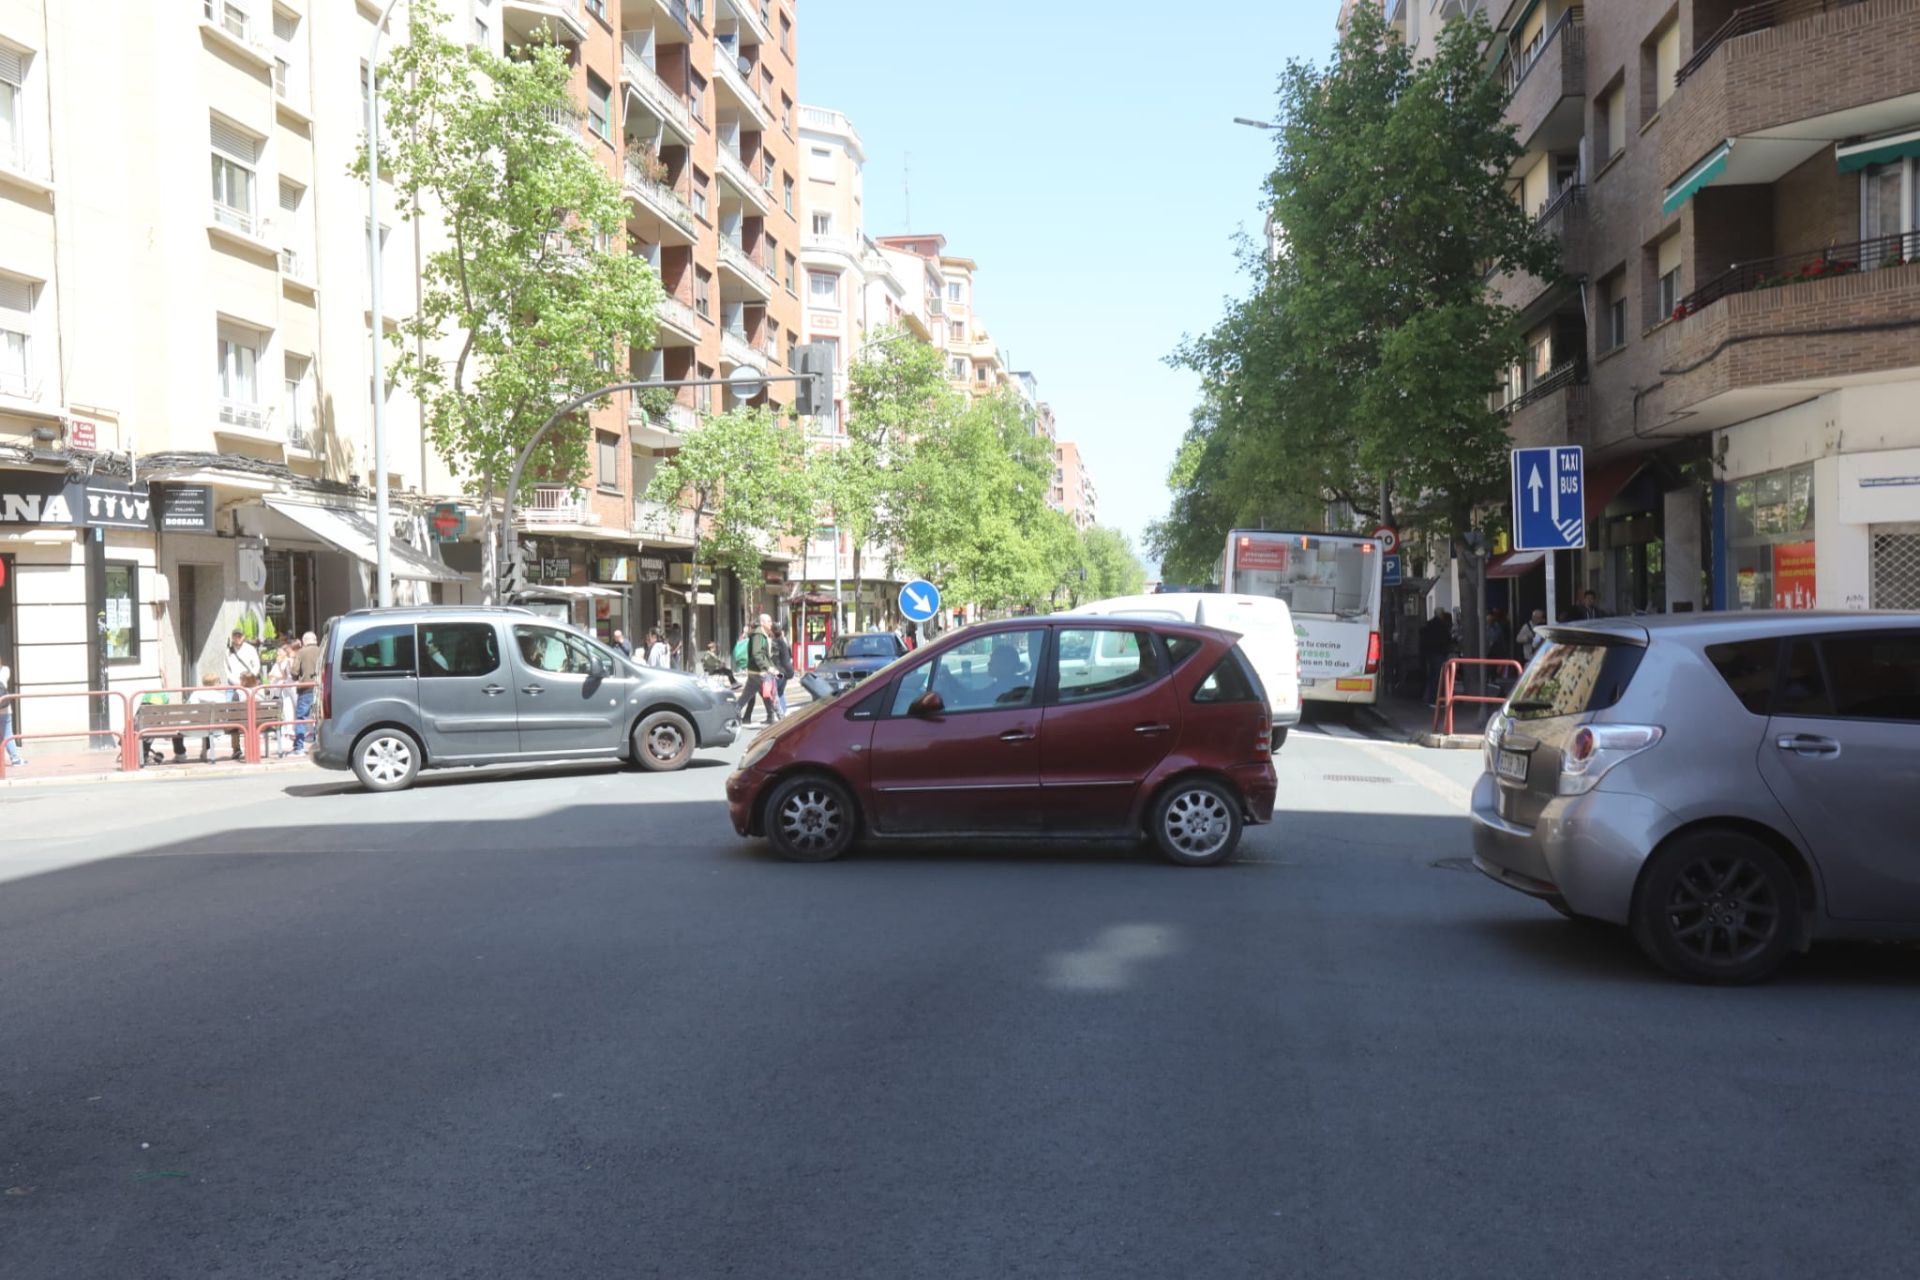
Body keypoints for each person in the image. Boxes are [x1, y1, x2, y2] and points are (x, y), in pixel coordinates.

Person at [736, 613, 778, 725]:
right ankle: (779, 718)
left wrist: (771, 667)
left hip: (757, 671)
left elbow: (764, 655)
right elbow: (757, 654)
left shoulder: (762, 634)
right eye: (768, 621)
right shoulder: (759, 635)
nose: (771, 623)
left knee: (751, 696)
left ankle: (733, 714)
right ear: (762, 623)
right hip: (760, 672)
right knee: (771, 695)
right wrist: (768, 667)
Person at [292, 630, 323, 755]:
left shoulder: (301, 652)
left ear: (304, 641)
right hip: (321, 687)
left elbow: (294, 672)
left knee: (301, 718)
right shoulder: (322, 650)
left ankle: (299, 747)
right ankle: (318, 744)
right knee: (319, 717)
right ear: (315, 640)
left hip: (306, 688)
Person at [188, 672, 231, 763]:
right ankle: (206, 749)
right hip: (215, 726)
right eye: (219, 681)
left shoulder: (196, 693)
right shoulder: (220, 696)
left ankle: (180, 753)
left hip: (196, 725)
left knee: (178, 730)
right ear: (215, 683)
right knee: (209, 724)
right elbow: (224, 713)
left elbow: (192, 710)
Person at [1420, 608, 1455, 708]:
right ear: (1441, 615)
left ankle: (1431, 699)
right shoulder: (1443, 626)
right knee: (1439, 678)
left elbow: (1423, 637)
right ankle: (1437, 700)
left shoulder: (1429, 624)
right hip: (1439, 653)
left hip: (1429, 653)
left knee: (1432, 677)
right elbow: (1448, 639)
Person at [0, 662, 24, 768]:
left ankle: (15, 758)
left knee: (5, 735)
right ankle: (15, 758)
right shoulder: (5, 670)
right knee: (7, 734)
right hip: (4, 710)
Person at [770, 624, 795, 717]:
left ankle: (777, 714)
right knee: (779, 692)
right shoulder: (784, 641)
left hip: (780, 672)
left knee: (773, 691)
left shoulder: (776, 642)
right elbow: (790, 655)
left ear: (772, 632)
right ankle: (783, 711)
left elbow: (774, 658)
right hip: (787, 671)